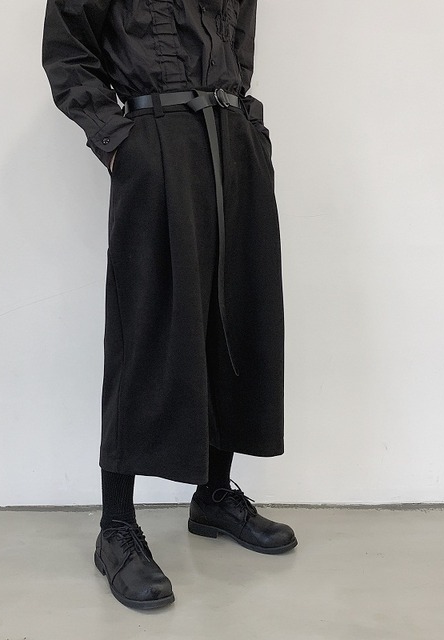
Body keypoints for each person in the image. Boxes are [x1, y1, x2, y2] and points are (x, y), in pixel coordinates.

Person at [42, 0, 297, 610]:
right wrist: (118, 141)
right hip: (155, 143)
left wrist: (246, 126)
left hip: (233, 140)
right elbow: (67, 52)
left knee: (236, 315)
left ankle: (213, 495)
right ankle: (116, 529)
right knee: (146, 328)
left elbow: (238, 43)